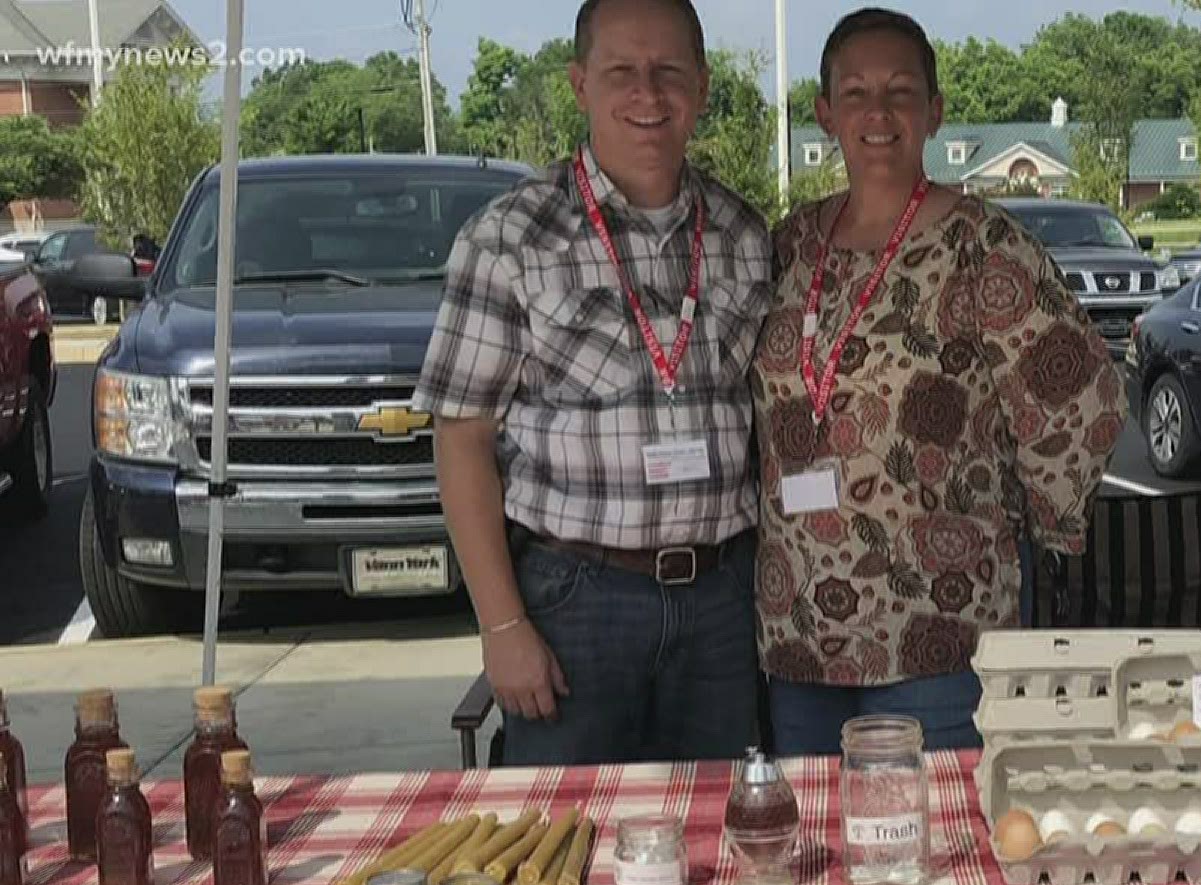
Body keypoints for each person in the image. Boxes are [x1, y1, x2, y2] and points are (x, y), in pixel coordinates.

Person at [750, 8, 1125, 755]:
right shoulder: (788, 245)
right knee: (821, 857)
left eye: (900, 91)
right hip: (798, 629)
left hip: (939, 628)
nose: (878, 112)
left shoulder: (984, 246)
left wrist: (1035, 521)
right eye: (854, 93)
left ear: (935, 110)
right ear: (825, 113)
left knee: (935, 847)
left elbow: (1085, 398)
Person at [413, 0, 772, 766]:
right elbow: (462, 439)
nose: (648, 93)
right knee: (563, 847)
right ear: (579, 84)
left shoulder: (744, 236)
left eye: (669, 71)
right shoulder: (510, 238)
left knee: (720, 842)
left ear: (703, 87)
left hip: (720, 604)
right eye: (621, 72)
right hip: (576, 603)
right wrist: (502, 627)